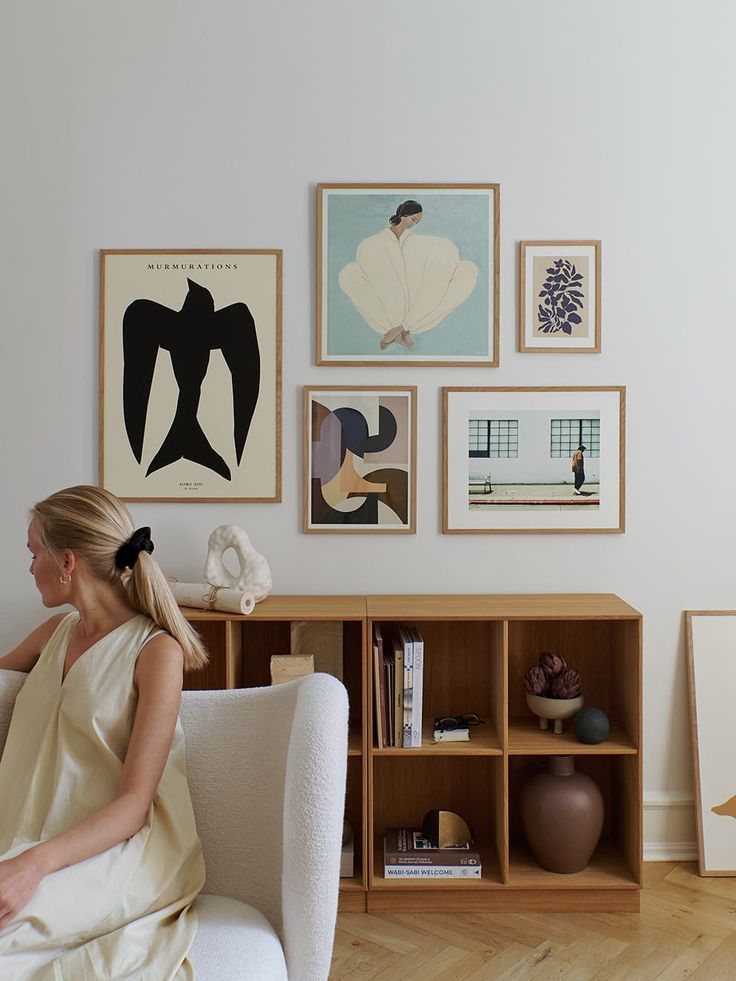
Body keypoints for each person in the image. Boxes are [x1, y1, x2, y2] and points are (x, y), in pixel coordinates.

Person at [0, 485, 207, 979]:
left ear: (67, 562)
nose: (29, 567)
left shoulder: (157, 653)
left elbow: (134, 805)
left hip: (119, 853)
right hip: (27, 835)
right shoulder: (53, 636)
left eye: (34, 554)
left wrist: (34, 865)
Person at [338, 199, 478, 351]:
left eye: (416, 222)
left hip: (416, 314)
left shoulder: (415, 243)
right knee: (347, 274)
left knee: (468, 270)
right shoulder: (374, 243)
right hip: (388, 312)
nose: (413, 224)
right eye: (413, 219)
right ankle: (398, 330)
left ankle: (400, 329)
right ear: (404, 215)